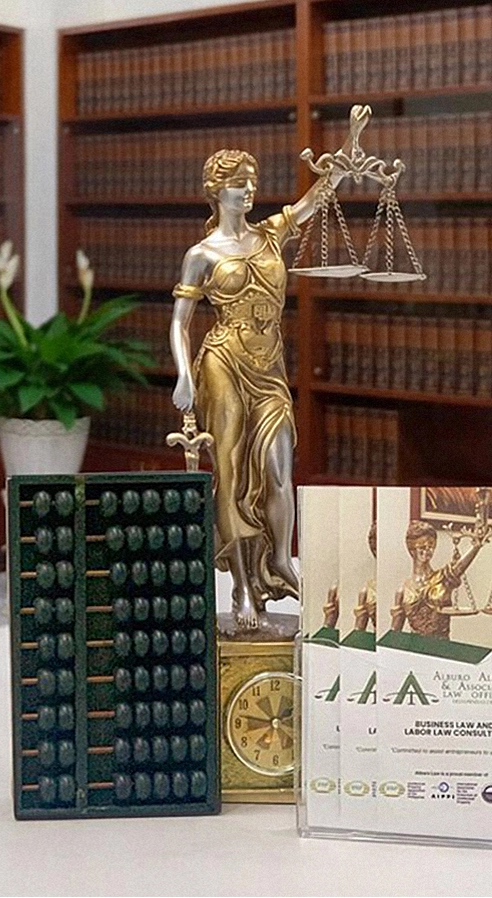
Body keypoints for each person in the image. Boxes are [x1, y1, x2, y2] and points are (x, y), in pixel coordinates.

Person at [170, 148, 342, 632]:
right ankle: (244, 585)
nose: (248, 190)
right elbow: (180, 323)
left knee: (278, 470)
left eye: (252, 182)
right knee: (229, 471)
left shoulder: (270, 234)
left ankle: (282, 562)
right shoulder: (200, 256)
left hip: (269, 368)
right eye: (238, 183)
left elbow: (313, 201)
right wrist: (184, 374)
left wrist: (344, 158)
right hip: (223, 364)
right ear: (215, 191)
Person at [387, 519, 486, 640]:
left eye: (431, 546)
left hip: (442, 647)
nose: (427, 550)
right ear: (412, 550)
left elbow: (459, 568)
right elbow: (395, 634)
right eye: (422, 547)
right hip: (415, 650)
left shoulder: (442, 578)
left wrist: (476, 547)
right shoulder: (403, 591)